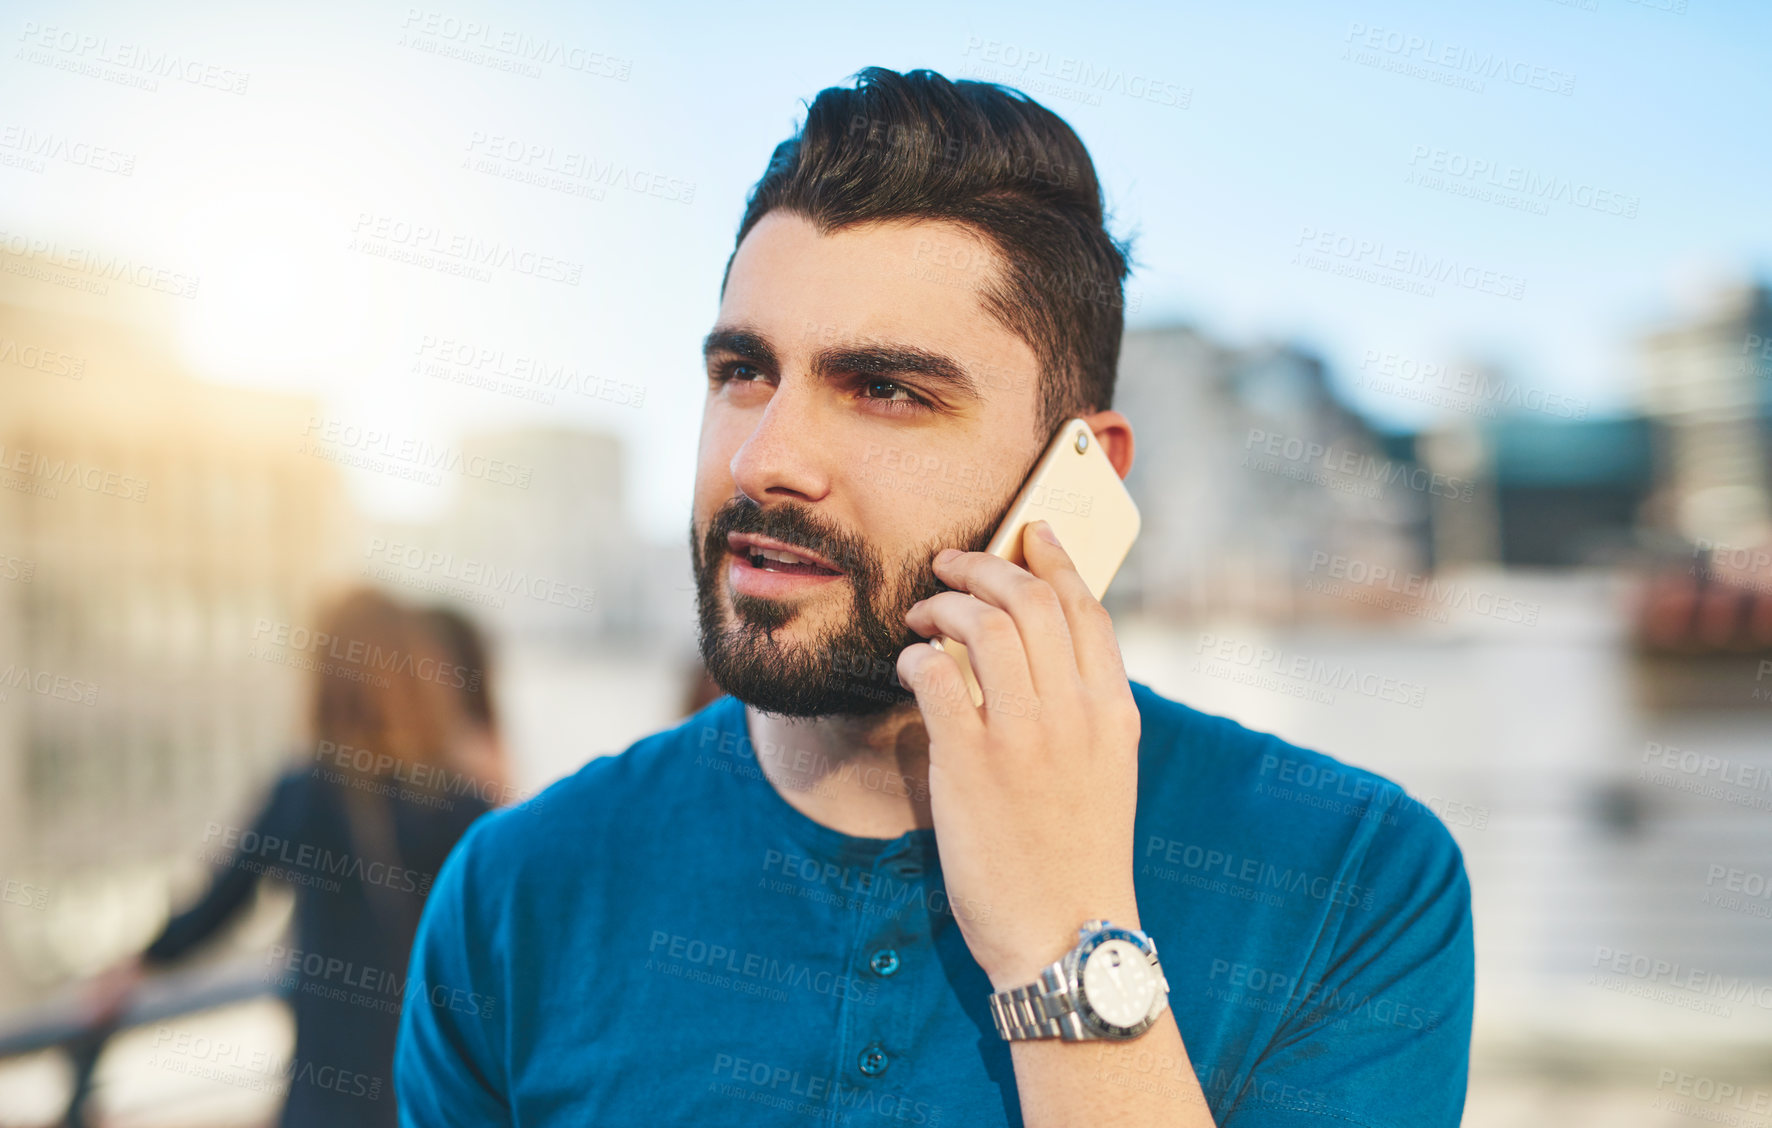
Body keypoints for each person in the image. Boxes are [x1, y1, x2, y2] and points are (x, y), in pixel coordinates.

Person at [396, 67, 1475, 1127]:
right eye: (743, 373)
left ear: (1079, 477)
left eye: (885, 391)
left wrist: (1064, 949)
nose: (764, 460)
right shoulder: (513, 896)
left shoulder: (1352, 881)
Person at [88, 588, 505, 1127]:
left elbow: (220, 901)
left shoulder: (305, 792)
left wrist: (140, 962)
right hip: (433, 1094)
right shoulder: (462, 802)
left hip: (326, 1096)